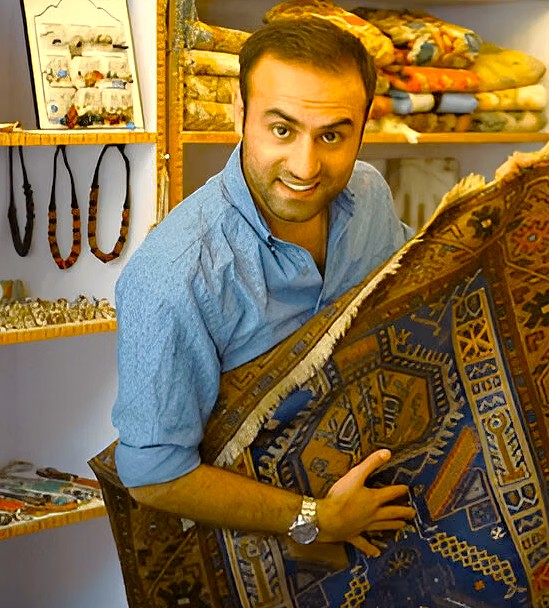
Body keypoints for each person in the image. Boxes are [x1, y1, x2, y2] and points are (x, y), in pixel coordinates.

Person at [110, 17, 416, 558]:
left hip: (386, 523)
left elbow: (419, 281)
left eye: (333, 136)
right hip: (253, 564)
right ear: (239, 112)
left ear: (365, 125)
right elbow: (152, 473)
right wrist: (315, 519)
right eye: (282, 129)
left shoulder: (368, 195)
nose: (305, 165)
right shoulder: (174, 275)